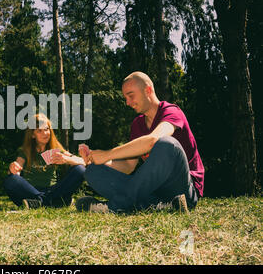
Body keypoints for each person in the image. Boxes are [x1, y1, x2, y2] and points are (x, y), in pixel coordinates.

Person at [76, 71, 204, 213]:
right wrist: (96, 159)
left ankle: (115, 206)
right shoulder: (137, 124)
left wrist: (107, 154)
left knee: (167, 144)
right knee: (93, 171)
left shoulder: (171, 111)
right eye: (125, 98)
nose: (128, 102)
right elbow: (128, 166)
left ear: (148, 90)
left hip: (182, 190)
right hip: (153, 191)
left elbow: (152, 140)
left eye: (131, 95)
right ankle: (159, 206)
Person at [4, 114, 86, 209]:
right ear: (33, 135)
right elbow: (17, 166)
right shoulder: (25, 150)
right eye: (40, 131)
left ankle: (38, 202)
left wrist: (66, 159)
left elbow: (83, 162)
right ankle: (55, 202)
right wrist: (13, 168)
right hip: (31, 191)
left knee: (80, 169)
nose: (45, 133)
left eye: (47, 129)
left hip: (54, 190)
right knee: (10, 180)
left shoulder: (55, 148)